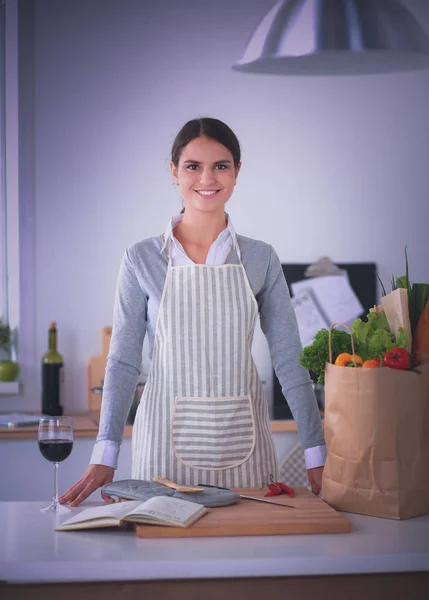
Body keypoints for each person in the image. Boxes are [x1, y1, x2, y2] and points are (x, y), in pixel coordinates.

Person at [60, 117, 326, 507]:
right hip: (161, 447)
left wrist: (316, 451)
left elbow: (289, 358)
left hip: (244, 445)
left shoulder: (260, 258)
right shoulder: (142, 258)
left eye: (221, 165)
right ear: (174, 171)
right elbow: (123, 362)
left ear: (237, 172)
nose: (207, 178)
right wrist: (106, 453)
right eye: (193, 166)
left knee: (249, 558)